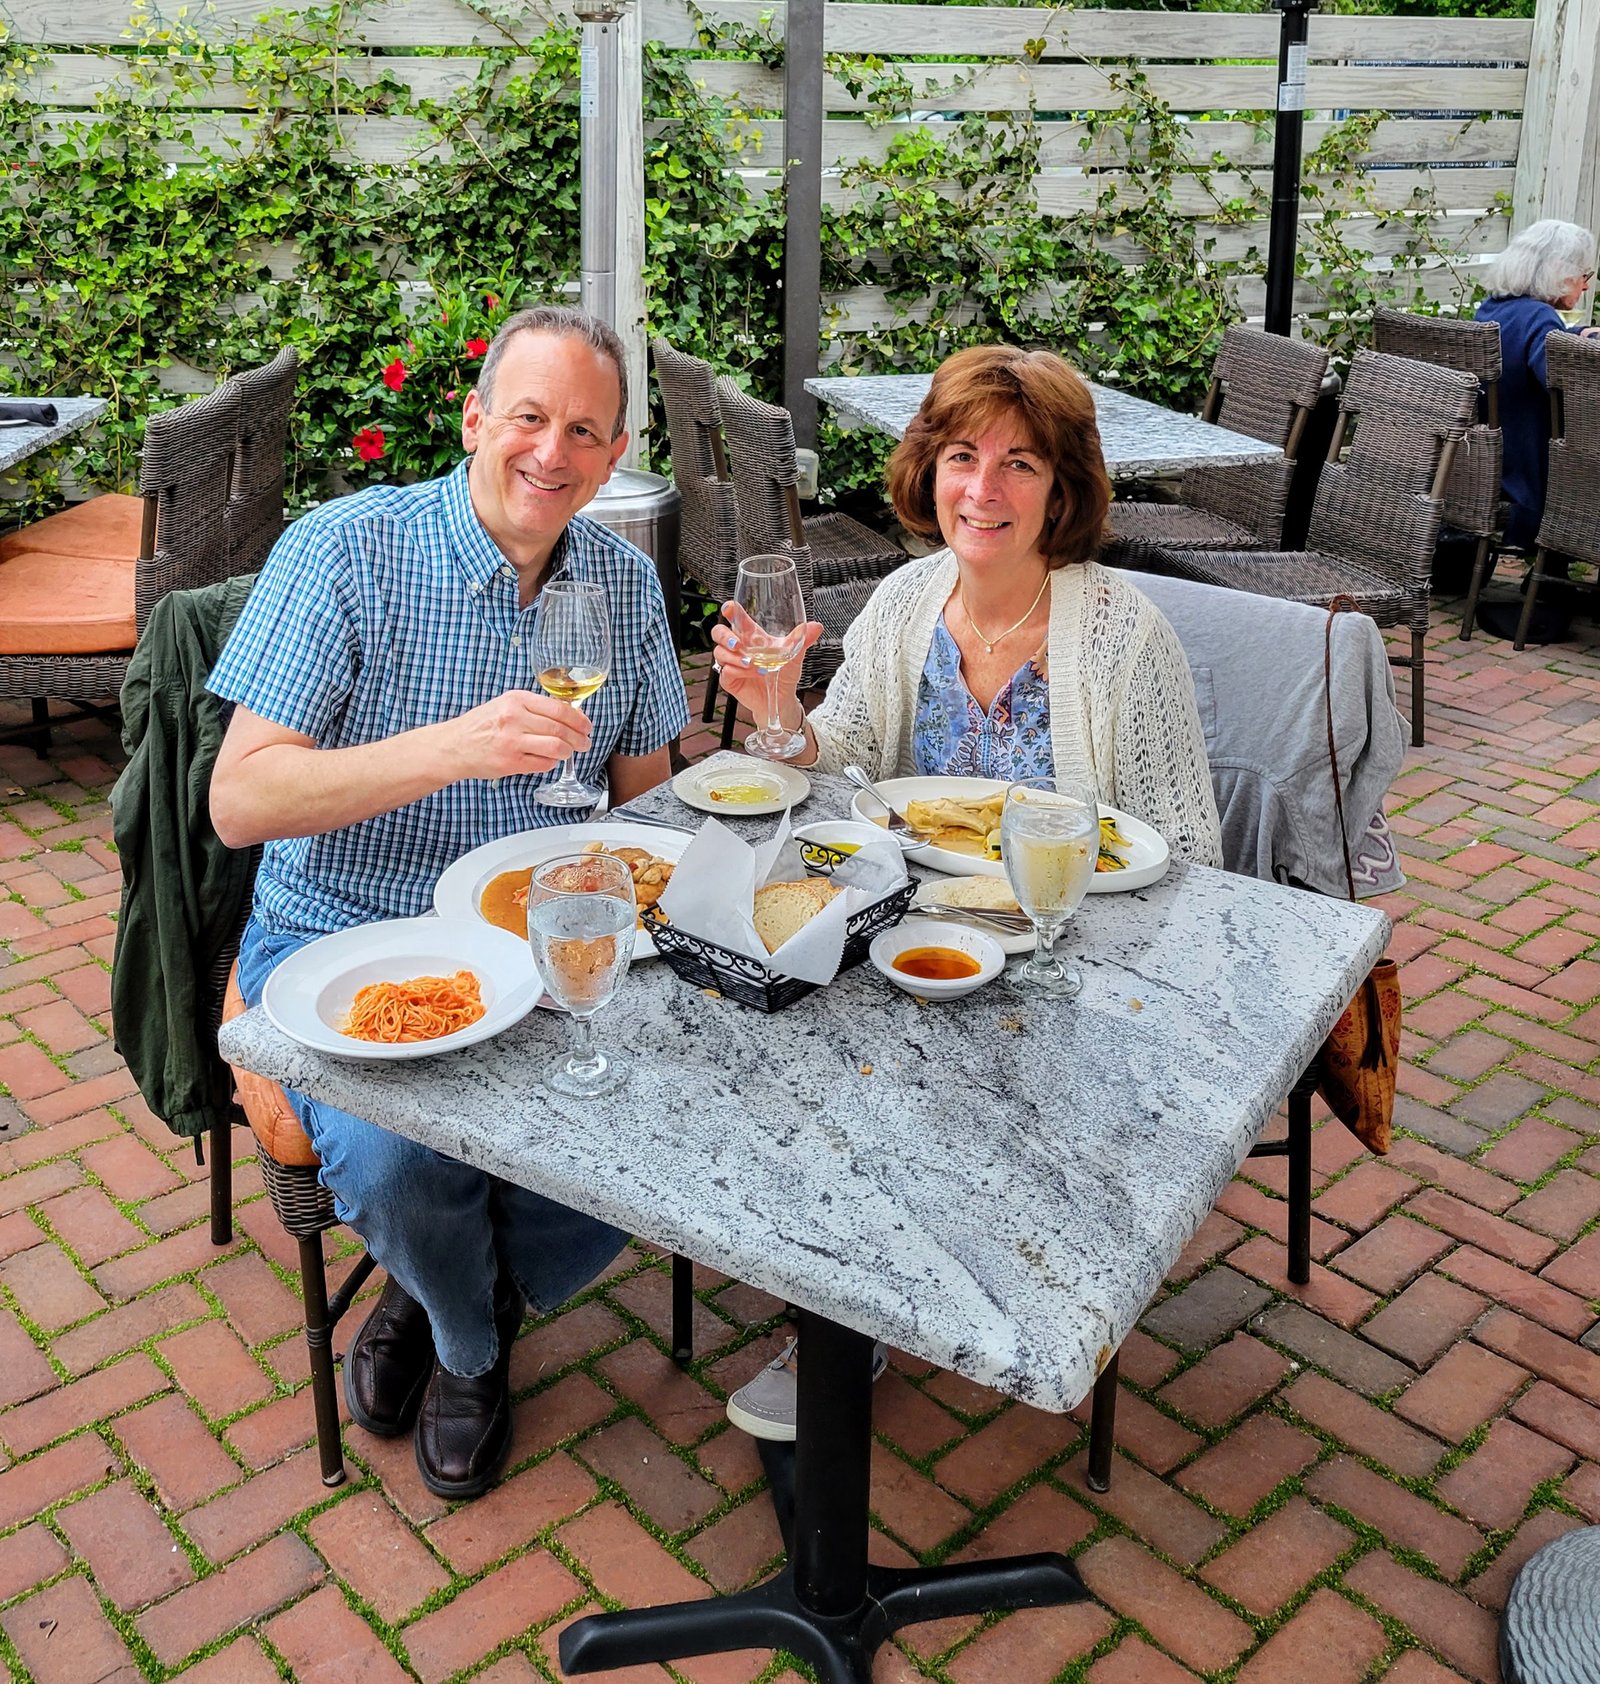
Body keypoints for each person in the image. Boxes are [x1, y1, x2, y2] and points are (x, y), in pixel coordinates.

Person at [207, 306, 689, 1499]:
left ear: (614, 454)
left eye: (584, 430)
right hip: (341, 930)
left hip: (544, 940)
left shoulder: (622, 583)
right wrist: (452, 749)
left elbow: (648, 807)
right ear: (474, 420)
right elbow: (240, 801)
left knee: (672, 1111)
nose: (552, 452)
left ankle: (441, 1291)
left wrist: (766, 733)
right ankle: (471, 1346)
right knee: (394, 1162)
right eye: (528, 417)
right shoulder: (345, 550)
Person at [711, 343, 1222, 1440]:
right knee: (773, 1027)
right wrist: (777, 712)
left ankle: (968, 1280)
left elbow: (1187, 854)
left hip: (1067, 968)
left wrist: (1077, 935)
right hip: (908, 944)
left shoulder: (1122, 634)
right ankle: (842, 1315)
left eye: (1019, 463)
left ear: (1063, 489)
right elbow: (843, 754)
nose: (982, 490)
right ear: (927, 469)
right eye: (960, 457)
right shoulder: (906, 601)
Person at [1474, 220, 1600, 641]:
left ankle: (1552, 579)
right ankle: (1557, 578)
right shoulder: (1540, 318)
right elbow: (1564, 386)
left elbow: (1533, 344)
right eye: (1584, 275)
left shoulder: (1494, 309)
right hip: (1533, 477)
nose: (1585, 285)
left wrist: (1573, 335)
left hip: (1491, 464)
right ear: (1560, 272)